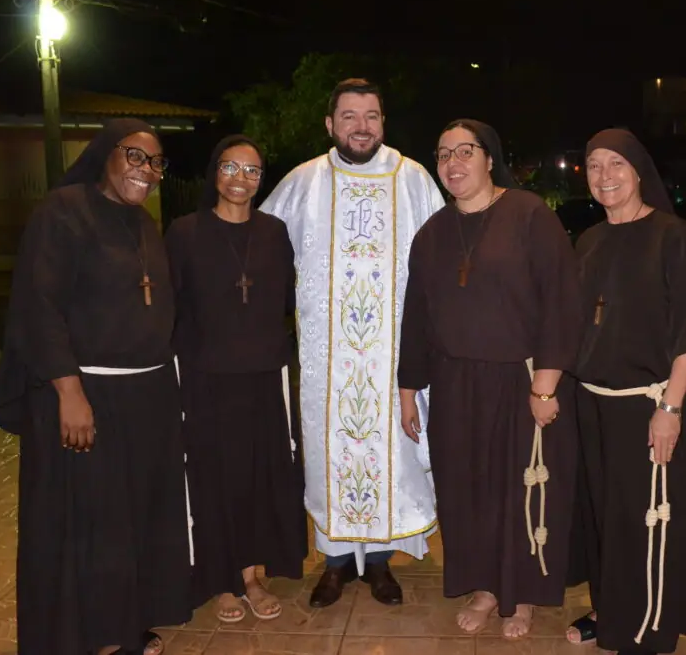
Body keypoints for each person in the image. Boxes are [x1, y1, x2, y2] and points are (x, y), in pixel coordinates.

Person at [0, 118, 191, 655]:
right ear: (104, 155)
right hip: (88, 394)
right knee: (91, 524)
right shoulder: (63, 211)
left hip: (145, 397)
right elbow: (39, 307)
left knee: (132, 519)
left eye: (155, 162)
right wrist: (69, 393)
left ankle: (123, 624)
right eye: (134, 156)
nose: (146, 170)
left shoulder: (142, 223)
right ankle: (89, 638)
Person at [259, 78, 445, 608]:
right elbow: (260, 249)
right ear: (330, 124)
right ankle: (336, 562)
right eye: (349, 117)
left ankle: (380, 562)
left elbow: (442, 258)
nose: (361, 127)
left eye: (371, 116)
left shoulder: (412, 178)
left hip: (393, 355)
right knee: (328, 456)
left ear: (383, 122)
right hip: (326, 359)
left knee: (392, 454)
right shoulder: (303, 181)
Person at [398, 119, 584, 638]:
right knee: (466, 490)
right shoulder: (432, 233)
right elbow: (416, 316)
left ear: (489, 158)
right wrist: (408, 389)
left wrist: (546, 384)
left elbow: (561, 300)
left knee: (516, 490)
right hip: (454, 384)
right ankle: (484, 586)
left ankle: (520, 593)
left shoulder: (528, 214)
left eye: (465, 151)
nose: (453, 163)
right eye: (443, 155)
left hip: (520, 381)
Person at [563, 129, 686, 654]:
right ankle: (609, 610)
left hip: (649, 405)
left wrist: (671, 407)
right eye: (594, 165)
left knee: (646, 519)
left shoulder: (673, 238)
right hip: (592, 404)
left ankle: (650, 622)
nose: (604, 176)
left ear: (639, 171)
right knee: (603, 516)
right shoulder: (589, 241)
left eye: (616, 164)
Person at [165, 135, 307, 624]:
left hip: (263, 378)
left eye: (251, 170)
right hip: (206, 379)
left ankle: (250, 576)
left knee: (256, 480)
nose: (240, 179)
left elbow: (288, 300)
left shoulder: (274, 232)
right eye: (230, 167)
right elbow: (170, 308)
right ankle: (220, 580)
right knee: (214, 480)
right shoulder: (185, 232)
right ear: (215, 171)